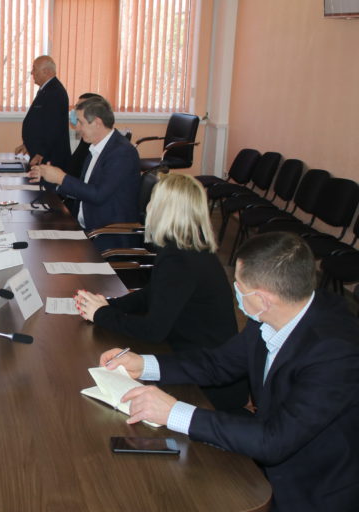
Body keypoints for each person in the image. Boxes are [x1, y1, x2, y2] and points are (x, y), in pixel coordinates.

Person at [102, 232, 359, 512]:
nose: (235, 289)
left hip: (310, 487)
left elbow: (274, 441)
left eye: (239, 285)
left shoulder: (335, 354)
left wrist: (173, 412)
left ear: (263, 299)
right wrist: (145, 364)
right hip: (264, 449)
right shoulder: (272, 315)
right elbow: (217, 364)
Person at [75, 174, 248, 410]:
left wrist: (101, 314)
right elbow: (152, 293)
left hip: (206, 384)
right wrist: (109, 304)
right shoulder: (188, 247)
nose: (147, 207)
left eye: (152, 201)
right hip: (196, 362)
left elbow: (153, 330)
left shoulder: (179, 260)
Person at [28, 97, 140, 250]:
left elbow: (98, 195)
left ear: (97, 122)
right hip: (85, 226)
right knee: (37, 241)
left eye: (81, 122)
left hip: (107, 235)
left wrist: (61, 178)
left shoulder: (122, 153)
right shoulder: (96, 147)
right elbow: (84, 189)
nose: (77, 128)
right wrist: (51, 179)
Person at [16, 56, 71, 169]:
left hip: (49, 157)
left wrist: (41, 152)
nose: (32, 72)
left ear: (46, 71)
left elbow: (54, 127)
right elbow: (39, 122)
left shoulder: (55, 92)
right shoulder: (47, 90)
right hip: (43, 154)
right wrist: (27, 144)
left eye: (34, 69)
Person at [66, 92, 102, 179]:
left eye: (80, 107)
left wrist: (60, 178)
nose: (75, 111)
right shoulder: (86, 139)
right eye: (76, 107)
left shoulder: (97, 144)